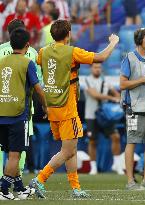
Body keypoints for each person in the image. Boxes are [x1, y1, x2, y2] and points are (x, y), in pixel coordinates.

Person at [29, 19, 119, 198]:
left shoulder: (43, 52)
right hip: (67, 107)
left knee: (71, 148)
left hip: (51, 106)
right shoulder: (72, 52)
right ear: (69, 34)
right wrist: (113, 42)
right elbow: (100, 58)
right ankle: (39, 179)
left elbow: (38, 62)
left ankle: (76, 188)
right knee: (68, 150)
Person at [0, 28, 47, 200]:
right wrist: (46, 107)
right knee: (15, 155)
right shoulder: (28, 63)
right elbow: (38, 90)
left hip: (1, 112)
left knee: (8, 153)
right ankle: (3, 189)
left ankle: (19, 189)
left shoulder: (1, 61)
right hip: (18, 115)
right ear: (28, 45)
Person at [120, 28, 145, 190]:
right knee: (132, 142)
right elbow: (122, 84)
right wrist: (143, 79)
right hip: (134, 108)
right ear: (140, 41)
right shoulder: (129, 58)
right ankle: (130, 181)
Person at [84, 62, 123, 175]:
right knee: (92, 141)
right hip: (91, 115)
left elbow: (117, 95)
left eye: (99, 67)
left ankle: (116, 164)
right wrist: (111, 98)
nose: (98, 69)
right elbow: (95, 95)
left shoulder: (106, 82)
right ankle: (93, 167)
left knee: (115, 137)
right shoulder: (87, 80)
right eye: (95, 67)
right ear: (91, 69)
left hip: (105, 116)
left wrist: (116, 98)